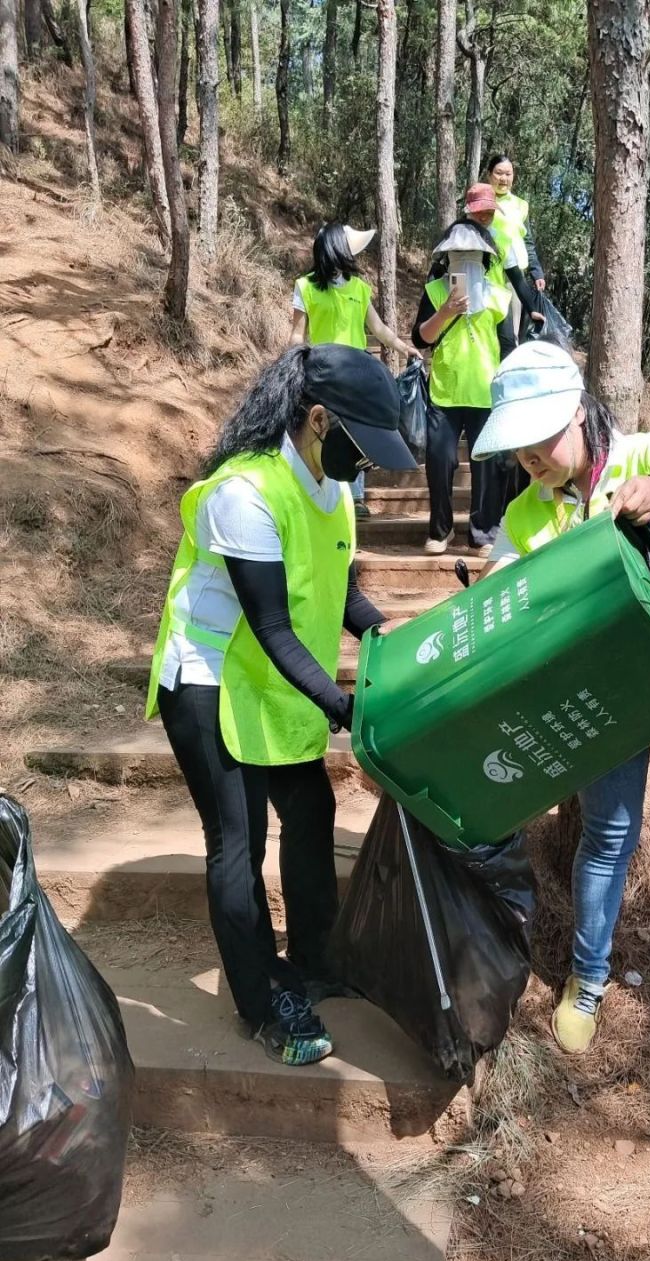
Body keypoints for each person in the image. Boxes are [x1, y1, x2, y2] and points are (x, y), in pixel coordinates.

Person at [144, 344, 417, 1067]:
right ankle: (265, 1001)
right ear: (319, 420)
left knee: (311, 811)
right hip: (210, 680)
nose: (374, 465)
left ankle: (319, 962)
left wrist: (393, 636)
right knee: (238, 845)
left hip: (276, 680)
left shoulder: (330, 487)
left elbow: (340, 594)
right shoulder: (245, 492)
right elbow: (268, 624)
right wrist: (345, 705)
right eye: (365, 448)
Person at [472, 341, 650, 1054]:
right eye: (520, 453)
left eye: (541, 444)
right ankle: (588, 979)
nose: (531, 463)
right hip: (607, 701)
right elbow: (506, 585)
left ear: (580, 414)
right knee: (608, 835)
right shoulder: (527, 515)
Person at [412, 183, 542, 555]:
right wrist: (446, 312)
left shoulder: (499, 296)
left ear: (485, 258)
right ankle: (440, 530)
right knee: (441, 459)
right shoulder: (436, 291)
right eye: (457, 254)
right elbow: (421, 338)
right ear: (447, 257)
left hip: (486, 392)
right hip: (445, 390)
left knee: (488, 466)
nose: (464, 258)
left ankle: (483, 531)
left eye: (472, 254)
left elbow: (506, 346)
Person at [289, 222, 417, 517]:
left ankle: (356, 497)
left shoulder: (359, 288)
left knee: (357, 432)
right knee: (323, 431)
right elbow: (297, 334)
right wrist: (291, 365)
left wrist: (401, 346)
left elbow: (378, 328)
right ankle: (322, 489)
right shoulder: (305, 286)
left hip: (356, 373)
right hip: (321, 373)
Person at [486, 152, 546, 338]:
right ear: (489, 175)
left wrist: (536, 271)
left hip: (515, 278)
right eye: (499, 173)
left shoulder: (521, 205)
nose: (503, 178)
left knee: (512, 331)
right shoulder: (482, 201)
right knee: (489, 328)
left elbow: (527, 240)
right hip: (488, 276)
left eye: (508, 174)